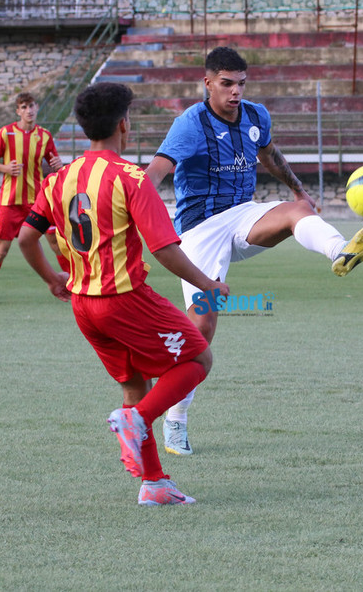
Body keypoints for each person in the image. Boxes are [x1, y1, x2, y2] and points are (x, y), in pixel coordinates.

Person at [144, 46, 363, 455]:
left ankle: (340, 251)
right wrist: (139, 212)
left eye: (241, 84)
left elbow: (268, 154)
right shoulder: (190, 124)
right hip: (199, 230)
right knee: (202, 328)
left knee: (298, 212)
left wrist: (298, 189)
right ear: (208, 83)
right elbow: (156, 173)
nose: (235, 92)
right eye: (226, 84)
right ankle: (176, 419)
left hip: (243, 216)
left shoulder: (255, 116)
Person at [18, 82, 228, 506]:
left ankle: (154, 484)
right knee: (198, 359)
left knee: (135, 387)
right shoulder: (130, 178)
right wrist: (208, 284)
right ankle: (140, 421)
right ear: (124, 125)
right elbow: (163, 248)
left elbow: (26, 237)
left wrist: (52, 278)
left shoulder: (58, 179)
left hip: (83, 307)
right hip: (125, 299)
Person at [0, 91, 61, 305]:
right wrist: (5, 168)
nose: (29, 110)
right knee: (1, 251)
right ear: (18, 111)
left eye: (31, 106)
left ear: (37, 107)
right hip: (10, 202)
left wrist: (59, 165)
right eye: (24, 107)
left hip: (37, 202)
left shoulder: (45, 136)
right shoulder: (6, 132)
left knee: (56, 242)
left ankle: (75, 287)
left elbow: (55, 164)